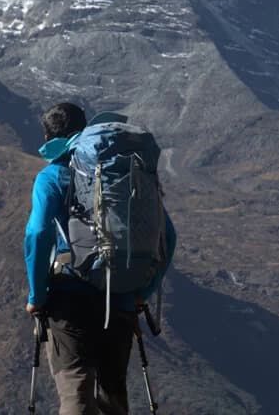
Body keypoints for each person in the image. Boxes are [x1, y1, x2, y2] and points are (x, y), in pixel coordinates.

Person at [23, 102, 177, 415]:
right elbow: (168, 236)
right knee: (113, 399)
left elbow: (38, 234)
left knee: (76, 395)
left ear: (49, 138)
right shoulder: (123, 173)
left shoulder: (52, 176)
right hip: (119, 299)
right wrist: (140, 293)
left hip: (70, 301)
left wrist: (36, 296)